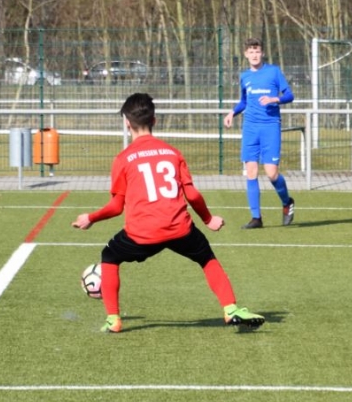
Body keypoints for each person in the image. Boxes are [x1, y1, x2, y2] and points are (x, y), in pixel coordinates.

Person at [72, 92, 265, 333]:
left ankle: (113, 319)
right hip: (179, 228)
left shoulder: (123, 159)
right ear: (154, 120)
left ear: (127, 123)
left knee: (109, 256)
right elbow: (192, 195)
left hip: (142, 234)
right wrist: (208, 219)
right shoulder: (173, 153)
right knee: (206, 258)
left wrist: (90, 218)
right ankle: (230, 308)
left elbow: (116, 207)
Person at [223, 37, 296, 229]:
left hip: (270, 126)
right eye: (251, 52)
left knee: (271, 173)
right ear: (246, 54)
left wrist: (274, 99)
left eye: (257, 51)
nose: (254, 55)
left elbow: (290, 95)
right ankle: (256, 218)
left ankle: (287, 202)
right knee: (251, 171)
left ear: (262, 53)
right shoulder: (245, 76)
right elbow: (244, 101)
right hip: (250, 128)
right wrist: (232, 112)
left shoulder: (273, 71)